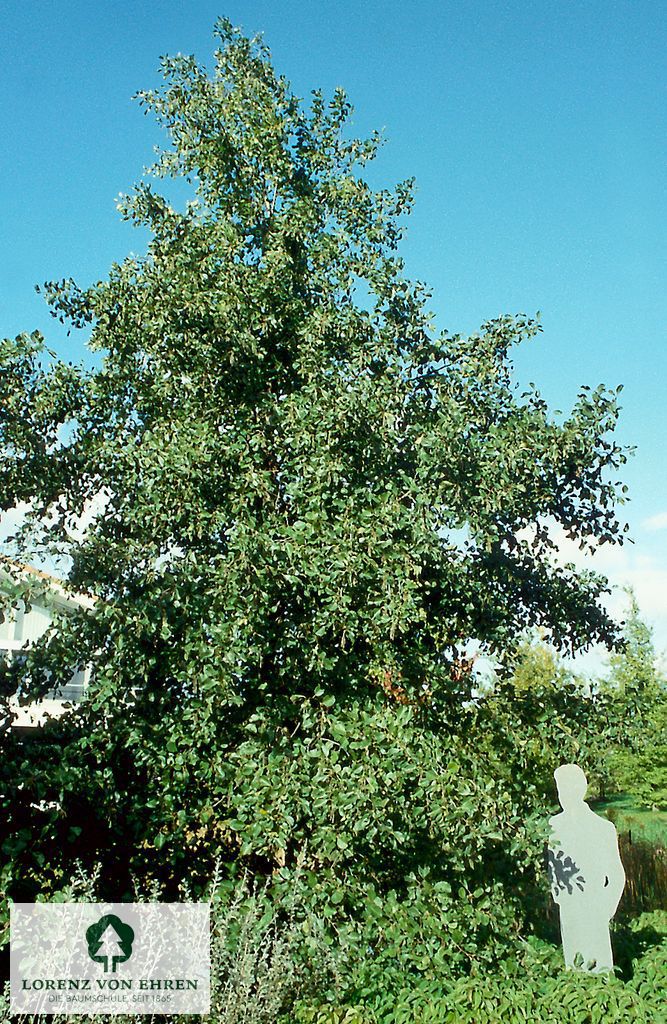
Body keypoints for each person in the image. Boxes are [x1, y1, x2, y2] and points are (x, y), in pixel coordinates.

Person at [547, 763, 625, 972]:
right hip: (569, 907)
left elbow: (617, 875)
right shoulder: (554, 826)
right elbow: (554, 866)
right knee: (573, 967)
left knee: (598, 968)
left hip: (595, 905)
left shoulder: (602, 828)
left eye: (568, 788)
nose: (563, 795)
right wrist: (560, 896)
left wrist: (605, 909)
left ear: (580, 789)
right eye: (560, 789)